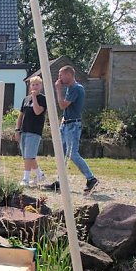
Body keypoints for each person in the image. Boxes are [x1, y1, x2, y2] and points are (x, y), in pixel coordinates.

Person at [54, 65, 98, 193]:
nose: (59, 78)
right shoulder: (70, 88)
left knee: (73, 154)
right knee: (61, 154)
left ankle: (91, 179)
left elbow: (62, 105)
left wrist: (58, 90)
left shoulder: (76, 88)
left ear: (68, 75)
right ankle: (60, 181)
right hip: (66, 124)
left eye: (60, 75)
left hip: (73, 126)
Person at [15, 76, 47, 186]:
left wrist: (34, 97)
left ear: (41, 86)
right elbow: (21, 115)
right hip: (24, 130)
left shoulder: (42, 99)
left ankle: (26, 179)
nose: (35, 87)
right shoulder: (25, 99)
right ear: (30, 86)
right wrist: (17, 130)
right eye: (33, 84)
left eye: (37, 84)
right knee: (28, 156)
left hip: (35, 131)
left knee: (29, 156)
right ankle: (40, 175)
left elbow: (38, 111)